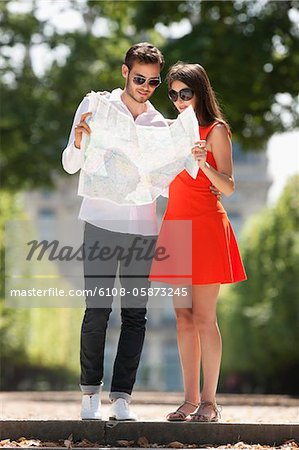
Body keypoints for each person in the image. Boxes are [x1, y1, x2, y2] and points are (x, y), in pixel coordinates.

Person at [62, 42, 167, 421]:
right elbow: (71, 165)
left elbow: (165, 183)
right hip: (101, 223)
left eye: (153, 82)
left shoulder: (159, 124)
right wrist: (77, 141)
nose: (145, 87)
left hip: (142, 227)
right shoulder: (95, 105)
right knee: (98, 311)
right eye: (139, 78)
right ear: (125, 72)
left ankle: (122, 398)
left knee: (136, 315)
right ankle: (90, 395)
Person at [150, 62, 247, 422]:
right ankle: (189, 400)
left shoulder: (216, 129)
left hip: (206, 227)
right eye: (172, 94)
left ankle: (209, 402)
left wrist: (204, 164)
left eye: (184, 93)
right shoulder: (172, 130)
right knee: (182, 317)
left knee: (205, 318)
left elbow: (229, 187)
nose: (178, 100)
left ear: (200, 92)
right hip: (175, 227)